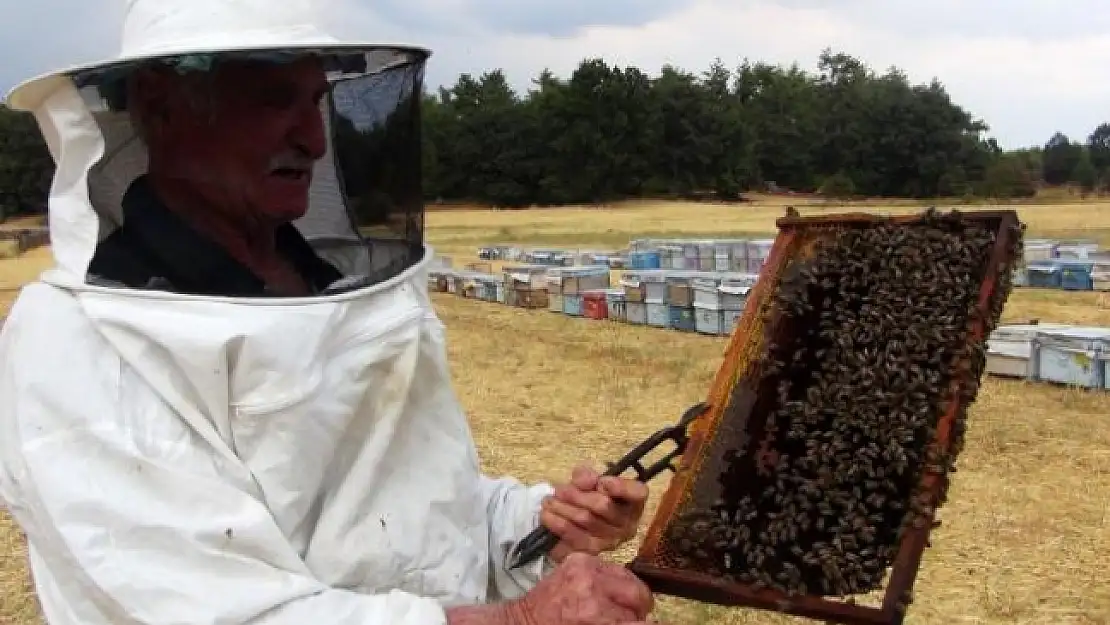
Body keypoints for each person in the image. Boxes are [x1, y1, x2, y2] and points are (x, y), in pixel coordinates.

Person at [0, 2, 663, 624]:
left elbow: (417, 508)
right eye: (272, 101)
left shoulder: (326, 285)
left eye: (315, 100)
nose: (314, 140)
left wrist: (537, 525)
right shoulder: (78, 345)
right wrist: (519, 618)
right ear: (161, 107)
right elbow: (219, 610)